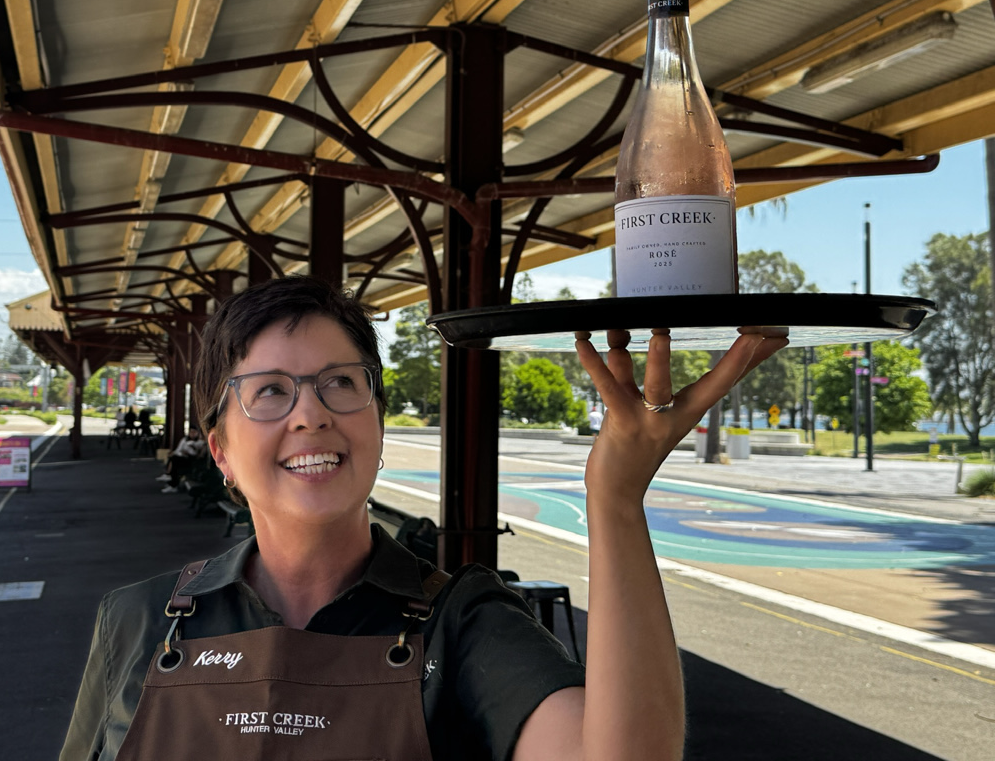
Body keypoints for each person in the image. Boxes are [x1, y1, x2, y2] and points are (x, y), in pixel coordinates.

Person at [59, 278, 783, 760]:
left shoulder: (466, 625)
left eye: (340, 383)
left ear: (376, 424)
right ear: (218, 448)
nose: (311, 414)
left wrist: (617, 499)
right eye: (271, 391)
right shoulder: (139, 618)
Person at [157, 426, 208, 493]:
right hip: (183, 458)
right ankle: (170, 479)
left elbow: (196, 454)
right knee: (174, 458)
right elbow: (179, 450)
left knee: (175, 460)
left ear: (198, 433)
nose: (192, 434)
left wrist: (189, 451)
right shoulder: (185, 440)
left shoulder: (200, 442)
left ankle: (170, 478)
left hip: (192, 460)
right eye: (191, 432)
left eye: (194, 432)